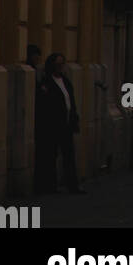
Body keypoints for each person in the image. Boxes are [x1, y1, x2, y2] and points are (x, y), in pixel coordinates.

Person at [37, 53, 83, 194]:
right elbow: (45, 105)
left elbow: (71, 101)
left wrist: (74, 118)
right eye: (57, 64)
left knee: (69, 155)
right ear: (52, 65)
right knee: (51, 156)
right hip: (53, 125)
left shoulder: (66, 81)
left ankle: (73, 186)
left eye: (62, 64)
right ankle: (50, 186)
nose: (60, 67)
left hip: (67, 124)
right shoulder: (46, 82)